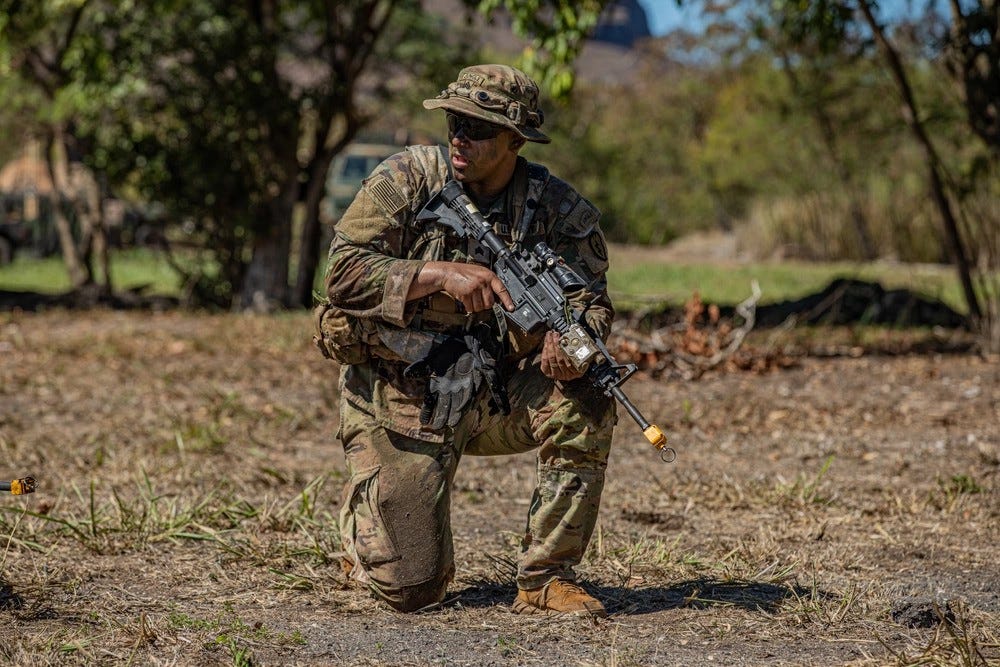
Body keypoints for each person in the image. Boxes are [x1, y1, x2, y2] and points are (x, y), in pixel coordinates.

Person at [314, 64, 616, 617]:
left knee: (589, 400)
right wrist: (437, 276)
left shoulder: (559, 211)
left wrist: (574, 344)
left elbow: (593, 301)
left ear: (514, 140)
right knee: (412, 592)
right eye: (455, 121)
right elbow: (340, 274)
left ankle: (545, 578)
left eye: (477, 129)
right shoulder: (406, 180)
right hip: (400, 394)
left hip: (494, 392)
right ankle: (369, 505)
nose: (460, 136)